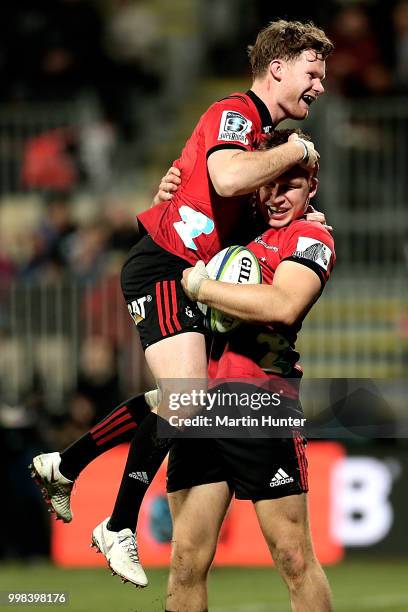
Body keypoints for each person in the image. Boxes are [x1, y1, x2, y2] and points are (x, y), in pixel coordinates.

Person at [31, 20, 333, 586]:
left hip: (172, 263)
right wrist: (295, 151)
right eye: (312, 73)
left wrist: (285, 206)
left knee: (180, 401)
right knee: (189, 398)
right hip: (165, 267)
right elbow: (224, 174)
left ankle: (65, 466)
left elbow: (210, 181)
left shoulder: (253, 137)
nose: (319, 86)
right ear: (278, 68)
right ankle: (118, 524)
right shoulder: (238, 112)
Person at [165, 128, 335, 612]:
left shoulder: (311, 236)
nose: (279, 196)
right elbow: (168, 231)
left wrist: (201, 286)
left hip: (261, 403)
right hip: (198, 402)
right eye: (270, 184)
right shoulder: (233, 228)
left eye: (293, 184)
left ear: (313, 188)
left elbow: (283, 304)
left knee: (293, 557)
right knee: (185, 561)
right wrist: (164, 198)